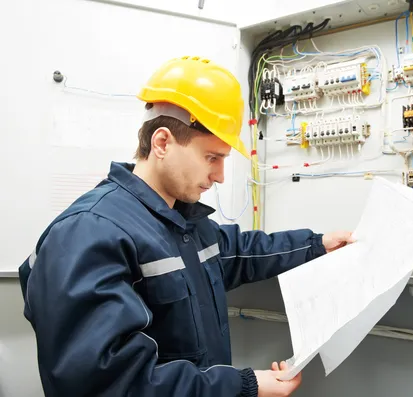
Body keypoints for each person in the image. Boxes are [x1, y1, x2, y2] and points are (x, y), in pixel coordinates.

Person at [17, 56, 354, 397]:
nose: (220, 175)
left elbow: (239, 253)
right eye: (212, 157)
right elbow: (110, 384)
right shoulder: (88, 232)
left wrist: (318, 244)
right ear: (162, 143)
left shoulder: (182, 221)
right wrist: (245, 386)